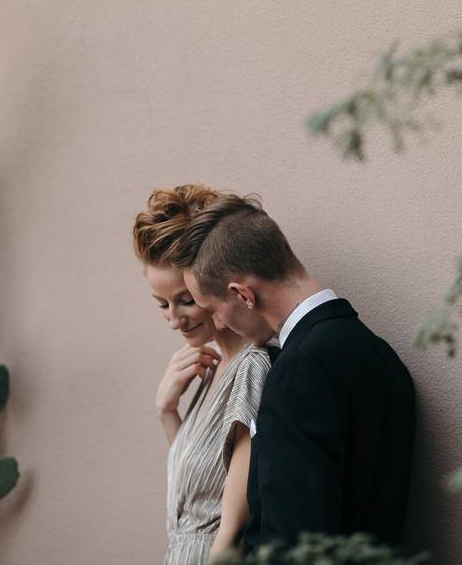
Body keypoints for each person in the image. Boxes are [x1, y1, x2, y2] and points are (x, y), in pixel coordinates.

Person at [171, 193, 416, 555]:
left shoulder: (297, 372)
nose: (219, 323)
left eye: (214, 309)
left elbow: (293, 544)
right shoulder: (383, 357)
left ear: (242, 295)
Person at [132, 184, 272, 564]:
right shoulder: (210, 370)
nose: (174, 320)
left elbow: (230, 526)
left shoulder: (252, 365)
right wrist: (168, 411)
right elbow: (197, 497)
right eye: (162, 304)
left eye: (186, 300)